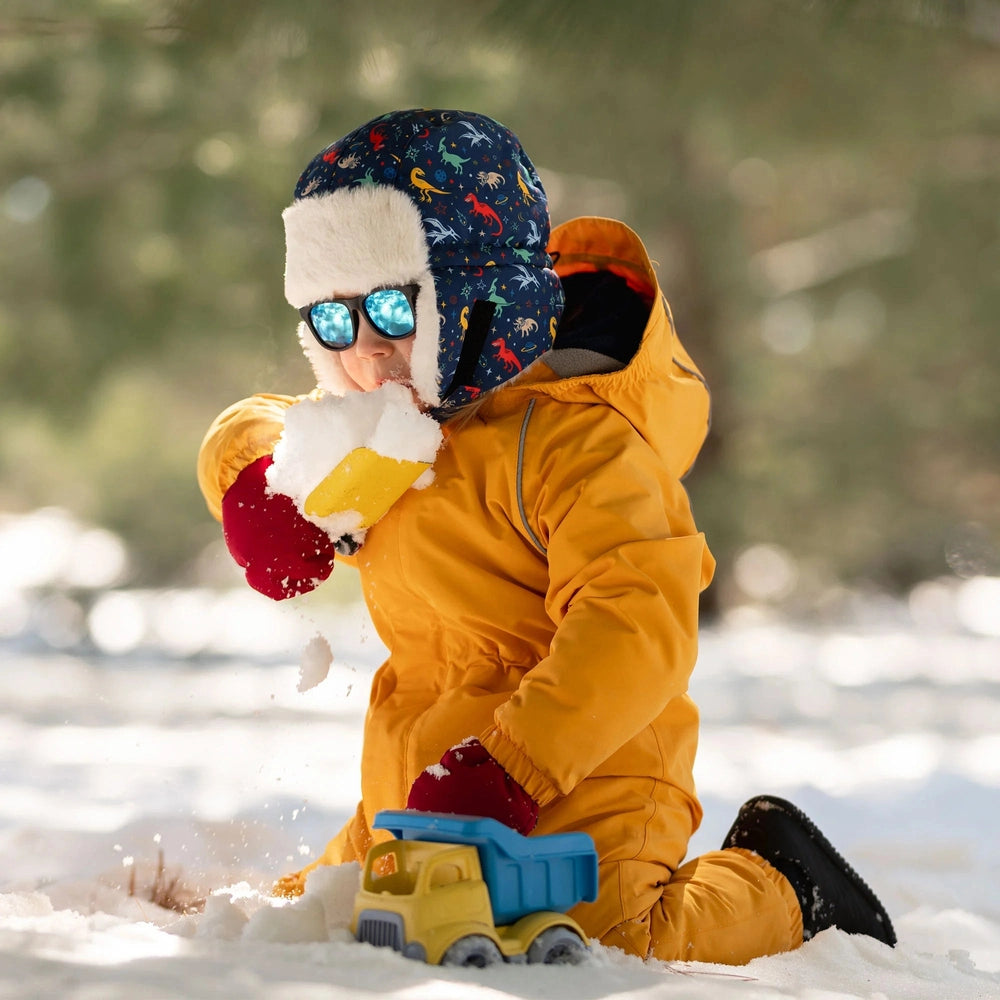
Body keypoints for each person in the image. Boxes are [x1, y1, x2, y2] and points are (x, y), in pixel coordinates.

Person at [197, 109, 895, 963]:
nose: (366, 352)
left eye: (390, 306)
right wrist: (249, 477)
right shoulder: (380, 430)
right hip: (418, 786)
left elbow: (635, 621)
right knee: (301, 928)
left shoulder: (577, 444)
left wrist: (513, 766)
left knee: (611, 939)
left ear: (475, 293)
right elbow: (261, 419)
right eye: (334, 322)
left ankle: (783, 885)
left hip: (582, 769)